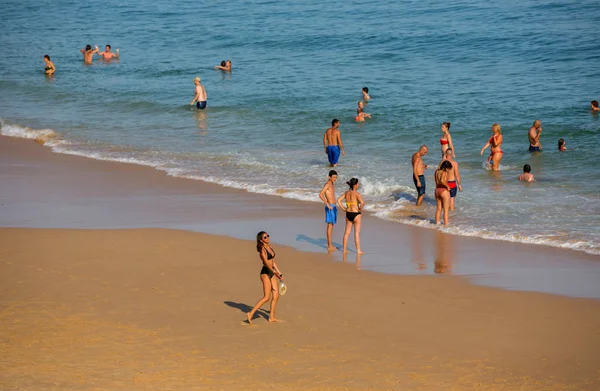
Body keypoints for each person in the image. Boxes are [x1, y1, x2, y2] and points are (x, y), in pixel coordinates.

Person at [247, 231, 284, 324]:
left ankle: (271, 317)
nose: (267, 237)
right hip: (265, 273)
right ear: (261, 240)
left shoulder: (270, 247)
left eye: (267, 236)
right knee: (267, 297)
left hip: (272, 272)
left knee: (276, 295)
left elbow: (273, 262)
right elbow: (267, 265)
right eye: (265, 237)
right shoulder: (262, 251)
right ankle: (250, 313)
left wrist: (279, 272)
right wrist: (275, 273)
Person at [336, 178, 365, 254]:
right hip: (356, 214)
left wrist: (343, 209)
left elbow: (338, 200)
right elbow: (362, 203)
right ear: (355, 185)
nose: (358, 185)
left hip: (348, 213)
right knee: (357, 233)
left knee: (347, 232)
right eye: (357, 184)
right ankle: (358, 250)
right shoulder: (357, 194)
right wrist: (360, 210)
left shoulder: (346, 193)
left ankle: (344, 249)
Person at [319, 170, 338, 252]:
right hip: (330, 207)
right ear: (329, 177)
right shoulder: (327, 184)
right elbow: (320, 194)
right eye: (333, 177)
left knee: (332, 226)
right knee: (330, 226)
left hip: (333, 207)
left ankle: (330, 244)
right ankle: (329, 245)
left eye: (336, 177)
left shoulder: (332, 184)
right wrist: (327, 204)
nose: (335, 179)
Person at [435, 160, 453, 225]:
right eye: (448, 169)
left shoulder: (437, 171)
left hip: (437, 190)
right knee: (446, 210)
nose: (448, 170)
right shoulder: (444, 172)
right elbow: (442, 180)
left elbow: (437, 181)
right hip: (444, 191)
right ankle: (446, 225)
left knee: (439, 209)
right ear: (445, 167)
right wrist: (447, 186)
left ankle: (437, 223)